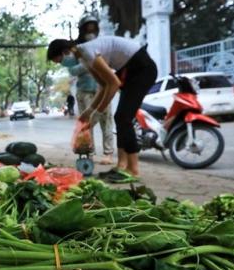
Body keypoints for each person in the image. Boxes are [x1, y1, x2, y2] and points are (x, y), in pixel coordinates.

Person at [47, 35, 157, 181]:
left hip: (142, 68)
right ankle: (121, 166)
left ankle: (133, 169)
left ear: (67, 51)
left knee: (123, 118)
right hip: (128, 70)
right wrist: (89, 111)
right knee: (121, 118)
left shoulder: (87, 51)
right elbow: (103, 85)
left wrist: (98, 112)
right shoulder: (84, 59)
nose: (63, 64)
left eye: (60, 60)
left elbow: (113, 84)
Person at [60, 15, 114, 164]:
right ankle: (88, 152)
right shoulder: (78, 49)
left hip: (103, 89)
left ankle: (108, 153)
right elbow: (71, 70)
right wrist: (88, 64)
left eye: (93, 27)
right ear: (82, 30)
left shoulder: (103, 45)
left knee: (107, 121)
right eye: (87, 28)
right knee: (86, 123)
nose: (90, 31)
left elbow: (111, 65)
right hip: (84, 91)